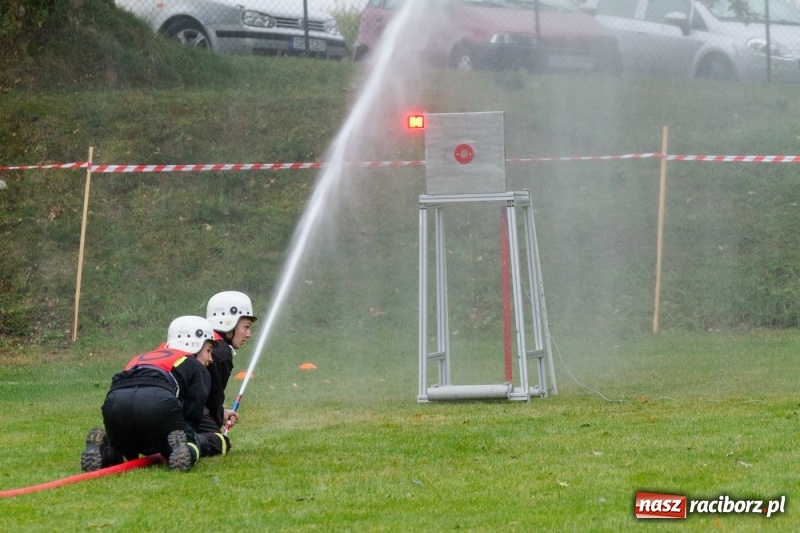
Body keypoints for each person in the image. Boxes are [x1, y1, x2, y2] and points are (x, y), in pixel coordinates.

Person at [80, 315, 216, 473]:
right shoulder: (194, 366)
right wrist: (192, 438)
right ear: (195, 345)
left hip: (116, 402)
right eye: (208, 351)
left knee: (124, 449)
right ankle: (184, 451)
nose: (210, 359)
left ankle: (102, 451)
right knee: (191, 441)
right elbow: (191, 415)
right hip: (156, 400)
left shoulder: (142, 358)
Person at [196, 291, 257, 457]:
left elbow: (202, 394)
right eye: (246, 327)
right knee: (220, 443)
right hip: (181, 410)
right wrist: (216, 419)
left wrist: (220, 412)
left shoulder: (201, 342)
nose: (248, 334)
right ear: (229, 324)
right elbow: (213, 398)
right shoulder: (220, 352)